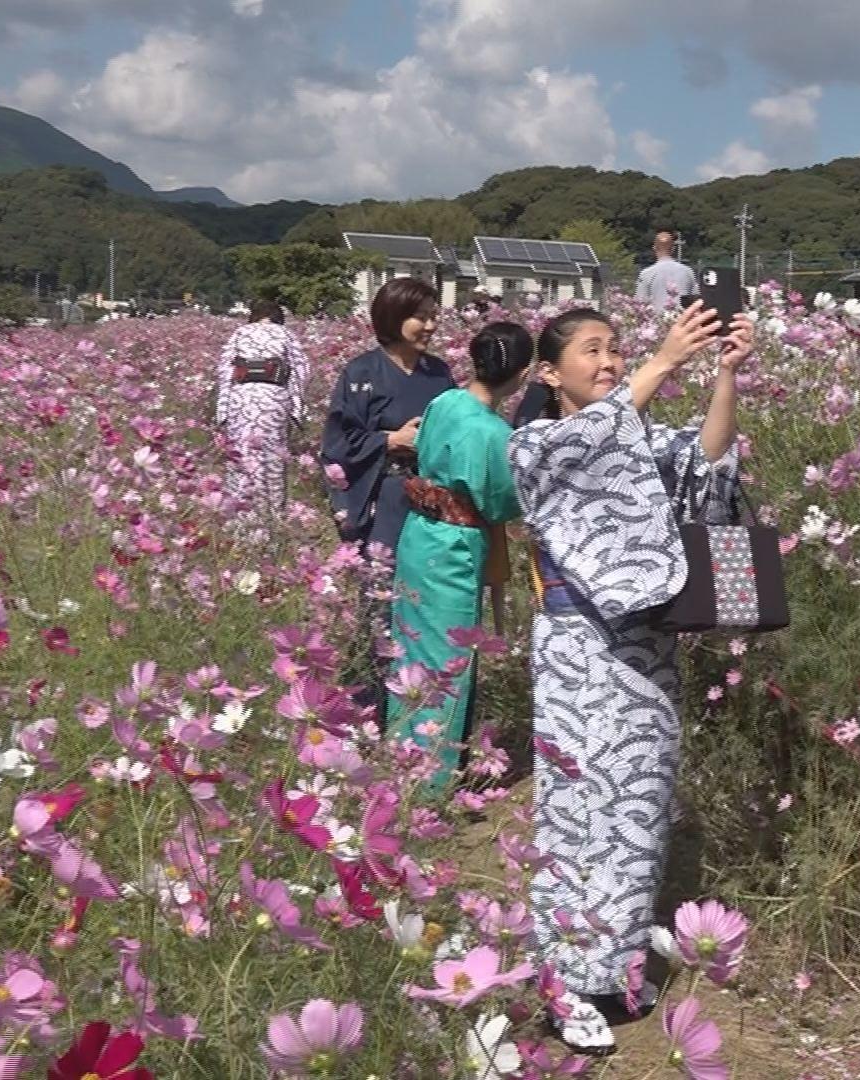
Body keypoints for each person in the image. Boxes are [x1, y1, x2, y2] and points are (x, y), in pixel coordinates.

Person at [507, 301, 753, 1053]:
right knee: (581, 811)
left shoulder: (631, 432)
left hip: (646, 651)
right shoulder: (538, 444)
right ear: (549, 372)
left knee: (638, 812)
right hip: (580, 652)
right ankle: (563, 981)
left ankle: (609, 967)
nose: (610, 360)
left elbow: (705, 461)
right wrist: (663, 362)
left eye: (616, 349)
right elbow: (591, 443)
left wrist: (724, 375)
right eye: (591, 350)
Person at [388, 322, 531, 786]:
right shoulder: (493, 433)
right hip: (455, 544)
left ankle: (402, 758)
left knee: (411, 646)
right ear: (523, 374)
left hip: (417, 533)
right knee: (446, 657)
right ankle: (430, 782)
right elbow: (498, 502)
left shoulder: (444, 402)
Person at [320, 276, 456, 705]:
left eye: (434, 316)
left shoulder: (439, 373)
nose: (431, 326)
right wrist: (388, 440)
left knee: (426, 600)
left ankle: (418, 704)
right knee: (378, 605)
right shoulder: (361, 372)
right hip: (385, 497)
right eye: (421, 317)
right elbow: (338, 446)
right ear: (393, 318)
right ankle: (366, 705)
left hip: (430, 499)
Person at [215, 298, 309, 518]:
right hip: (273, 400)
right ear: (278, 318)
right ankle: (272, 516)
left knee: (241, 454)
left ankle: (240, 518)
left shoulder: (239, 333)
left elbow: (225, 371)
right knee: (272, 457)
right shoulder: (285, 334)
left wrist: (223, 410)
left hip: (241, 400)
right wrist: (296, 407)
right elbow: (300, 369)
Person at [633, 229, 697, 311]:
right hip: (684, 320)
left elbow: (640, 302)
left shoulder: (646, 274)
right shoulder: (688, 271)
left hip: (658, 321)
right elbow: (695, 298)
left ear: (654, 248)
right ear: (673, 249)